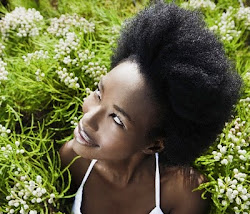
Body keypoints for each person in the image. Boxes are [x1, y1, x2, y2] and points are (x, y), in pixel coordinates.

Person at [59, 2, 242, 214]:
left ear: (154, 144)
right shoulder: (72, 159)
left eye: (117, 119)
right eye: (99, 94)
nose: (89, 118)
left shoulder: (182, 193)